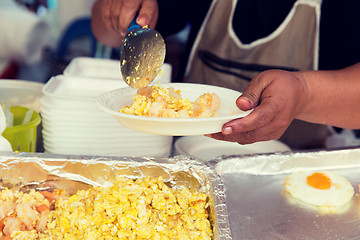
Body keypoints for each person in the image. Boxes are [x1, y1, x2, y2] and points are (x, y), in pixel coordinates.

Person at [91, 0, 360, 149]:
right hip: (188, 159)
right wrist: (115, 10)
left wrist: (303, 93)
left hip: (301, 172)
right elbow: (106, 33)